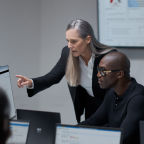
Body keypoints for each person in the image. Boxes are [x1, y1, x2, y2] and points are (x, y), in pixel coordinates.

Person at [16, 19, 116, 123]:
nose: (69, 46)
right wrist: (31, 82)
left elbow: (116, 92)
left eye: (74, 41)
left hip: (112, 107)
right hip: (91, 106)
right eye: (67, 41)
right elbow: (53, 77)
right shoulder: (68, 54)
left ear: (88, 39)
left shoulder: (110, 57)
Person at [79, 52, 144, 144]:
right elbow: (94, 121)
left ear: (120, 74)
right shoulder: (112, 92)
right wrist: (69, 133)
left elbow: (122, 137)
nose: (98, 74)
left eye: (103, 71)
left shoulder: (138, 99)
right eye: (98, 69)